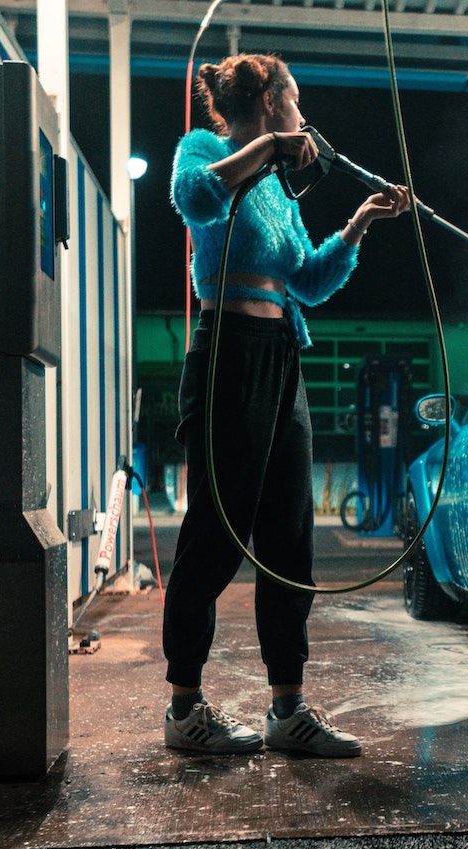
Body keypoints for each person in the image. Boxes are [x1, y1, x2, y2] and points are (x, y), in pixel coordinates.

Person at [162, 53, 410, 757]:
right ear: (269, 99)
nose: (304, 115)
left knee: (288, 539)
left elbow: (308, 279)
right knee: (213, 535)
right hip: (226, 358)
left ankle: (287, 708)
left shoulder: (276, 191)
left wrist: (361, 219)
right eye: (295, 101)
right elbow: (196, 199)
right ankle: (184, 708)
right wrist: (268, 149)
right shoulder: (206, 150)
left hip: (279, 359)